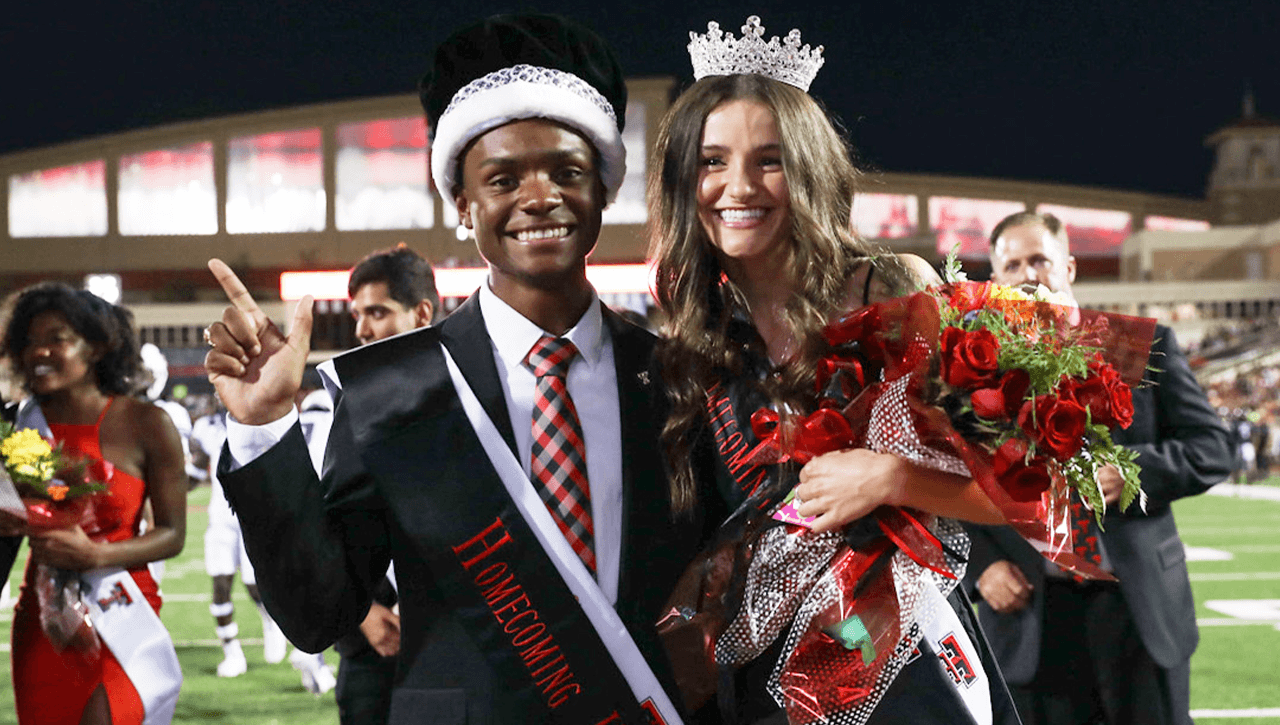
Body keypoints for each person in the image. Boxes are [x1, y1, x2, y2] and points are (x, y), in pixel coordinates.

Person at [203, 14, 707, 724]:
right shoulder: (391, 387)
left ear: (605, 191)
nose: (539, 197)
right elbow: (320, 613)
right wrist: (261, 427)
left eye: (568, 171)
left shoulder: (681, 376)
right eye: (503, 178)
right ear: (464, 206)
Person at [649, 16, 1018, 725]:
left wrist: (889, 478)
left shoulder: (889, 288)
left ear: (809, 167)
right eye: (712, 160)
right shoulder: (694, 343)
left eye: (769, 158)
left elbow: (1016, 489)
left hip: (897, 660)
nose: (738, 185)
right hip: (764, 684)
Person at [964, 211, 1232, 725]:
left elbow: (1213, 446)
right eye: (1012, 264)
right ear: (996, 282)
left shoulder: (1135, 347)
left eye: (1039, 259)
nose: (1028, 274)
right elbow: (951, 479)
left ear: (1068, 267)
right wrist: (982, 569)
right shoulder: (975, 367)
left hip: (1135, 603)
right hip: (1030, 610)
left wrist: (1134, 470)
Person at [0, 282, 186, 725]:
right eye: (28, 342)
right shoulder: (13, 425)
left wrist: (96, 554)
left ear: (98, 346)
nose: (38, 352)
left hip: (122, 608)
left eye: (56, 339)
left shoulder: (148, 423)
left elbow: (173, 534)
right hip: (45, 617)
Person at [328, 244, 439, 725]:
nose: (362, 330)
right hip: (372, 644)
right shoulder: (349, 400)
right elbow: (325, 523)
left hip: (463, 637)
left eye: (377, 312)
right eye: (358, 314)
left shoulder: (475, 393)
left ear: (422, 313)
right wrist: (362, 613)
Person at [189, 400, 294, 680]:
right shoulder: (205, 428)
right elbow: (195, 475)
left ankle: (271, 621)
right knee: (220, 585)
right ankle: (232, 653)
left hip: (252, 517)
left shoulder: (260, 422)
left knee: (254, 586)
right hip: (220, 519)